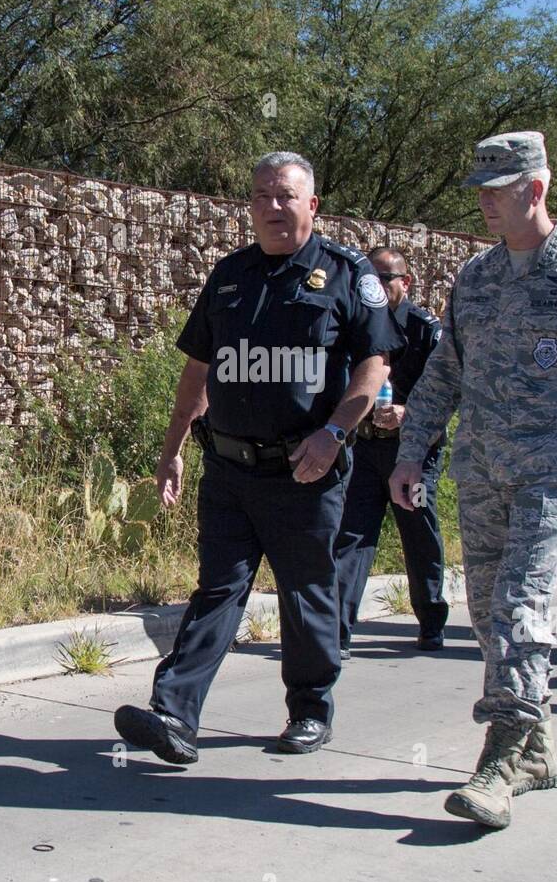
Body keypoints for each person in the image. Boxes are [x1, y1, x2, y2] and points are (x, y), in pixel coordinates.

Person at [389, 130, 557, 830]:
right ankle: (538, 748)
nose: (483, 203)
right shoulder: (477, 277)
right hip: (480, 474)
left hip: (551, 475)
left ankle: (501, 758)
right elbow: (444, 371)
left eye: (495, 191)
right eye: (478, 191)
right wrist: (412, 450)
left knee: (519, 605)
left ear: (534, 190)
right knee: (486, 614)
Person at [114, 151, 403, 763]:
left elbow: (374, 363)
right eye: (262, 197)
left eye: (286, 196)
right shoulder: (227, 277)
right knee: (218, 589)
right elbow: (197, 370)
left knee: (306, 592)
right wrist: (170, 452)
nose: (273, 207)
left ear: (312, 205)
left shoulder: (347, 274)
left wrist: (335, 433)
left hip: (305, 471)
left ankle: (309, 709)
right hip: (227, 469)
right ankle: (174, 715)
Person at [334, 247, 447, 659]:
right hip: (365, 450)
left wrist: (407, 413)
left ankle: (431, 620)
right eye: (371, 279)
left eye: (386, 278)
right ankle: (339, 631)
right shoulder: (358, 323)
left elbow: (449, 393)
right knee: (351, 537)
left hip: (415, 455)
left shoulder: (425, 329)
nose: (377, 286)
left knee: (418, 531)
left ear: (405, 282)